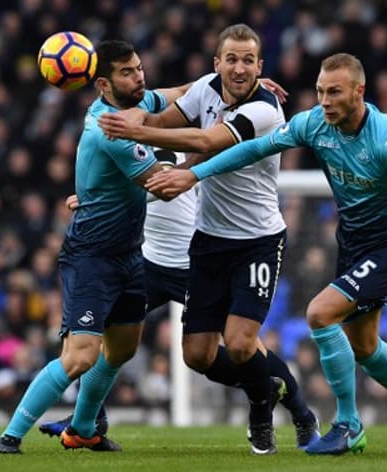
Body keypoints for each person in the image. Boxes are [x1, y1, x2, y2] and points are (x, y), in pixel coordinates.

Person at [145, 52, 387, 455]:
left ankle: (347, 424)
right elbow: (253, 149)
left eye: (334, 92)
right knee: (364, 347)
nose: (324, 100)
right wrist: (195, 173)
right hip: (353, 245)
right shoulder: (314, 124)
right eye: (319, 91)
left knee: (319, 313)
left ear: (359, 92)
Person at [100, 23, 320, 455]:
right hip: (208, 241)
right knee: (197, 356)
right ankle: (265, 389)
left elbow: (205, 140)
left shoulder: (266, 110)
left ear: (261, 66)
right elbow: (167, 121)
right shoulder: (205, 90)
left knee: (240, 344)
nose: (239, 68)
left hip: (257, 240)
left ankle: (285, 409)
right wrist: (135, 114)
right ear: (217, 62)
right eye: (231, 59)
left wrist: (137, 128)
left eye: (248, 60)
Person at [0, 39, 191, 454]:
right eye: (127, 72)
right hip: (91, 257)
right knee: (81, 355)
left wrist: (216, 83)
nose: (139, 77)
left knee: (121, 350)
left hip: (129, 255)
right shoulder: (111, 129)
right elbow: (163, 186)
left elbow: (174, 94)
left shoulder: (130, 103)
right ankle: (9, 438)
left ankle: (83, 429)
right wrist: (224, 152)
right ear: (102, 83)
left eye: (139, 68)